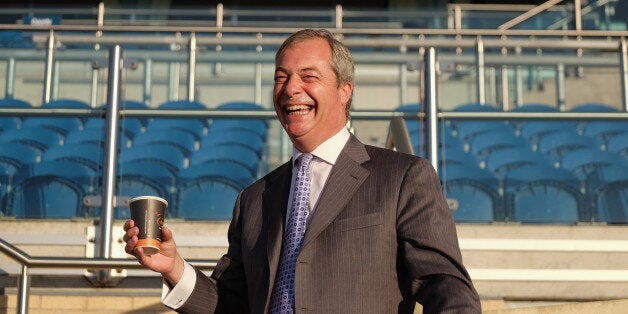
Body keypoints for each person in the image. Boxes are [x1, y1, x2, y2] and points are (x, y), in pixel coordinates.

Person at [124, 28, 481, 313]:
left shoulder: (403, 177)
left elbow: (445, 286)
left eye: (308, 76)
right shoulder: (254, 199)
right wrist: (173, 267)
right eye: (281, 77)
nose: (291, 88)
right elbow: (231, 304)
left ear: (344, 91)